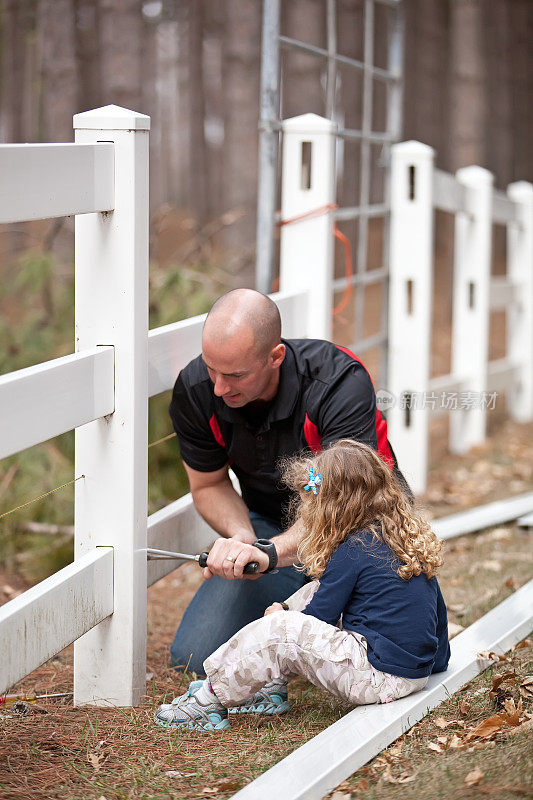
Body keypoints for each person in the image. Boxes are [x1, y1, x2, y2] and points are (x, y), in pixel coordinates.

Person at [169, 288, 412, 673]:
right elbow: (209, 485)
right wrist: (244, 540)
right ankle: (305, 612)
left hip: (361, 531)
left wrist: (269, 555)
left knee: (384, 650)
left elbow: (342, 501)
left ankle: (334, 611)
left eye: (235, 375)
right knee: (195, 655)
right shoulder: (197, 391)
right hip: (274, 529)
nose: (219, 387)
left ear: (275, 357)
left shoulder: (337, 382)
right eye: (211, 368)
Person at [155, 440, 450, 731]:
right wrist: (435, 665)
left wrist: (281, 620)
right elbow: (435, 612)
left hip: (376, 677)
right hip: (414, 675)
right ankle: (264, 683)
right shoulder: (402, 542)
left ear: (333, 507)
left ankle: (208, 699)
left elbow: (317, 618)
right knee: (311, 593)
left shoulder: (353, 549)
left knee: (282, 632)